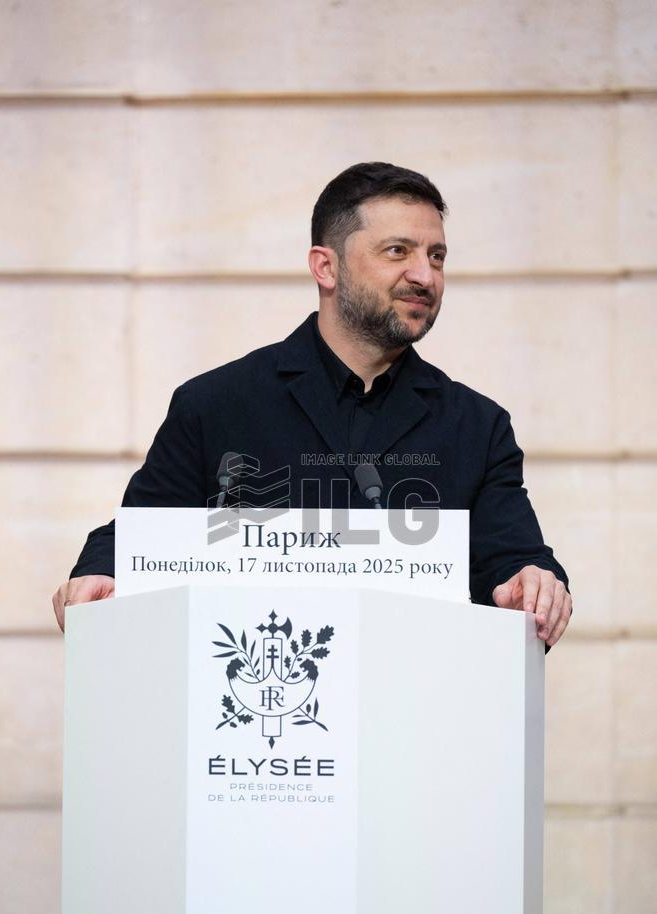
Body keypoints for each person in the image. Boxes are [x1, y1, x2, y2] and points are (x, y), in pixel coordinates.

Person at [53, 161, 572, 645]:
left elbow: (515, 560)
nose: (425, 275)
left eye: (436, 256)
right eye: (398, 251)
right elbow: (140, 537)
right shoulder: (215, 404)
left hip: (417, 700)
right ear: (326, 267)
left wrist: (534, 585)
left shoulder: (478, 426)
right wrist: (101, 571)